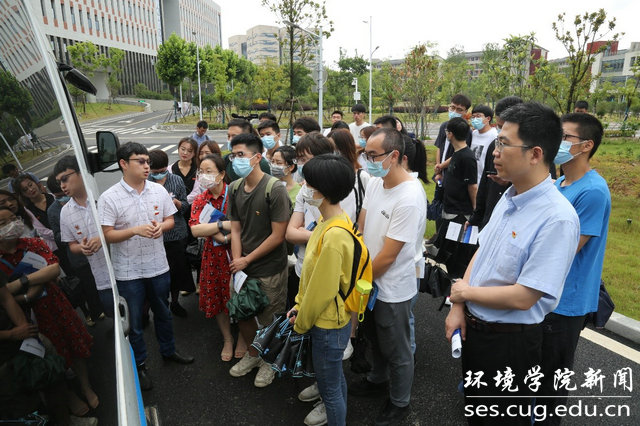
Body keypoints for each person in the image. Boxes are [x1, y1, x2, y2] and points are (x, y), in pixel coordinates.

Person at [444, 102, 580, 426]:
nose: (495, 152)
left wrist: (464, 293)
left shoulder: (557, 218)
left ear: (535, 154)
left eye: (504, 144)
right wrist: (458, 306)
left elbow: (524, 296)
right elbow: (483, 250)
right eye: (497, 142)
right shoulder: (510, 196)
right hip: (476, 333)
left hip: (509, 344)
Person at [98, 142, 194, 391]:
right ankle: (139, 365)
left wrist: (161, 227)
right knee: (135, 322)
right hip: (128, 271)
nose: (146, 166)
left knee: (163, 312)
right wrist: (134, 231)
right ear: (123, 164)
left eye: (147, 162)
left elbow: (170, 220)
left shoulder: (158, 191)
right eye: (140, 161)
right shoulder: (109, 197)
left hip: (157, 265)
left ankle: (168, 350)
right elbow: (107, 235)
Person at [537, 113, 611, 425]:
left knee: (552, 379)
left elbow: (565, 249)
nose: (559, 142)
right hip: (545, 294)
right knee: (535, 372)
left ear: (586, 145)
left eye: (565, 137)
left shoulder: (593, 191)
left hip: (566, 301)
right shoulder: (559, 182)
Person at [350, 128, 427, 425]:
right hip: (369, 279)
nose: (367, 161)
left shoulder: (409, 197)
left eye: (373, 155)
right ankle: (377, 379)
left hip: (392, 287)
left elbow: (389, 255)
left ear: (394, 156)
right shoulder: (376, 182)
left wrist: (358, 280)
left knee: (397, 348)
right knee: (375, 338)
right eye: (365, 154)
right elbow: (362, 224)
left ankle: (399, 402)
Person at [0, 207, 98, 416]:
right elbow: (4, 297)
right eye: (3, 223)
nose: (11, 225)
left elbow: (53, 268)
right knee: (51, 356)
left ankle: (86, 386)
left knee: (75, 344)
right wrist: (29, 291)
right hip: (28, 317)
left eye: (13, 218)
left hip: (55, 305)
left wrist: (20, 283)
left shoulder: (32, 243)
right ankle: (70, 395)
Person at [287, 154, 357, 426]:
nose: (304, 187)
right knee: (334, 379)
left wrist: (301, 322)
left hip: (327, 324)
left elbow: (321, 290)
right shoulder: (330, 221)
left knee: (330, 390)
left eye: (309, 183)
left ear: (323, 191)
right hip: (327, 319)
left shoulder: (334, 235)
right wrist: (299, 304)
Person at [227, 133, 291, 388]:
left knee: (269, 319)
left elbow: (278, 236)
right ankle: (254, 354)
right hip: (242, 267)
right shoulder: (234, 187)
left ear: (256, 157)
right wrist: (237, 260)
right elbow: (235, 229)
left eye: (241, 155)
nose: (236, 160)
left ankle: (269, 361)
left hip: (269, 268)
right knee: (241, 312)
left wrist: (247, 259)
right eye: (233, 155)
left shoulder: (274, 189)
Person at [189, 153, 235, 361]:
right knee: (218, 299)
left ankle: (243, 338)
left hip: (238, 253)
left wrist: (222, 235)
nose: (204, 176)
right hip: (214, 257)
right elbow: (196, 230)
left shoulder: (235, 194)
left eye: (209, 171)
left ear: (222, 174)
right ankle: (228, 339)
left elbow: (243, 226)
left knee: (240, 296)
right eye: (201, 172)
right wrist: (222, 226)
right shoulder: (201, 199)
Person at [55, 156, 114, 318]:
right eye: (59, 182)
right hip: (101, 277)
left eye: (65, 179)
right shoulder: (65, 212)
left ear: (80, 172)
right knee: (115, 316)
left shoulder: (104, 198)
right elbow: (71, 245)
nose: (62, 186)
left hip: (126, 269)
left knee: (138, 314)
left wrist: (103, 238)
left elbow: (126, 227)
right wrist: (81, 248)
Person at [46, 173, 104, 325]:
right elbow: (58, 236)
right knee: (89, 287)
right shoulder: (55, 211)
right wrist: (73, 235)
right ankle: (96, 311)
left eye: (64, 193)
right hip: (79, 259)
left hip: (100, 254)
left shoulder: (92, 199)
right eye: (59, 196)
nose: (64, 197)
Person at [148, 149, 195, 317]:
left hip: (176, 234)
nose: (158, 175)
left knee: (177, 272)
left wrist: (177, 203)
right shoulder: (145, 183)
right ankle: (157, 305)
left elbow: (186, 205)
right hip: (155, 235)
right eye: (155, 172)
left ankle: (175, 302)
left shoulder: (176, 180)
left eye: (162, 171)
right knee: (156, 276)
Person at [467, 96, 522, 231]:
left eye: (504, 127)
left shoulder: (529, 151)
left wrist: (511, 181)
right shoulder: (494, 145)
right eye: (499, 126)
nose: (500, 132)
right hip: (489, 221)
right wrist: (476, 217)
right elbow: (484, 186)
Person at [434, 117, 478, 279]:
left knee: (456, 253)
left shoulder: (468, 157)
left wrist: (475, 211)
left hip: (460, 215)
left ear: (450, 134)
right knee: (446, 250)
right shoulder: (458, 154)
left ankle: (456, 282)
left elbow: (472, 186)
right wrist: (441, 167)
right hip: (450, 210)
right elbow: (453, 159)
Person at [11, 173, 57, 251]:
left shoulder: (53, 197)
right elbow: (43, 231)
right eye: (25, 190)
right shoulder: (28, 210)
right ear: (22, 194)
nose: (30, 189)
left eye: (30, 185)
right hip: (55, 247)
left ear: (35, 183)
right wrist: (62, 235)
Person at [469, 105, 498, 184]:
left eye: (478, 116)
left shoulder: (494, 135)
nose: (475, 119)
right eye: (473, 117)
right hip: (472, 179)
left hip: (485, 180)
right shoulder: (474, 134)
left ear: (488, 118)